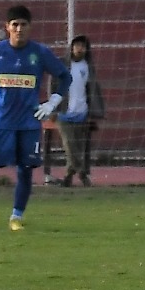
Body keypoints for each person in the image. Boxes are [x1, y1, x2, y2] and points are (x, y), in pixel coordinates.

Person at [0, 5, 70, 233]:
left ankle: (16, 217)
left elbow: (65, 77)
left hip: (28, 124)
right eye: (14, 25)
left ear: (30, 27)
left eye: (23, 25)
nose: (19, 29)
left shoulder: (40, 53)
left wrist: (52, 103)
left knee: (25, 170)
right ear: (7, 27)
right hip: (0, 124)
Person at [47, 35, 105, 187]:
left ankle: (68, 176)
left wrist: (94, 111)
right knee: (70, 145)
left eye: (83, 46)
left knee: (79, 148)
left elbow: (92, 90)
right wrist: (53, 108)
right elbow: (53, 85)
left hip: (82, 113)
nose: (80, 49)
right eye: (77, 45)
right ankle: (82, 173)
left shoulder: (88, 67)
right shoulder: (62, 64)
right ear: (71, 47)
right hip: (64, 114)